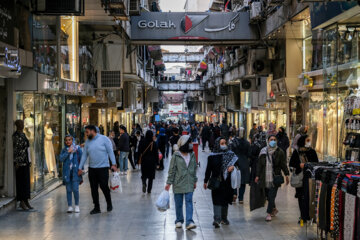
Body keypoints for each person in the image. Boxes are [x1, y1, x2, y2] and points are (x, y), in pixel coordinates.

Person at [78, 125, 117, 215]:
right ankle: (96, 207)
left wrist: (114, 164)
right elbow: (84, 156)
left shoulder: (104, 139)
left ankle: (109, 203)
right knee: (93, 189)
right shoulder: (87, 142)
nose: (86, 134)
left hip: (103, 168)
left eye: (87, 132)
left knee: (104, 187)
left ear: (93, 131)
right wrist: (80, 167)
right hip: (92, 169)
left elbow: (110, 152)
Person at [204, 137, 239, 228]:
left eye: (224, 143)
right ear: (217, 144)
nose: (224, 145)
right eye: (221, 143)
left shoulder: (231, 155)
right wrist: (205, 181)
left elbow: (237, 165)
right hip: (216, 181)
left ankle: (224, 218)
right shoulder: (212, 156)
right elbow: (208, 170)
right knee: (216, 200)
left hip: (227, 181)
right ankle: (217, 219)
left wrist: (233, 167)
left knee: (225, 200)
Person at [165, 135, 197, 230]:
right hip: (178, 182)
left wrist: (194, 180)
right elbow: (172, 170)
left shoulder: (192, 155)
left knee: (189, 201)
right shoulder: (176, 155)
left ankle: (189, 222)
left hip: (189, 182)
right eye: (190, 143)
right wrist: (168, 182)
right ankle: (179, 220)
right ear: (184, 144)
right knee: (178, 203)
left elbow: (194, 168)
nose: (191, 144)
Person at [255, 135, 290, 221]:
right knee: (268, 196)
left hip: (275, 177)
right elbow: (259, 165)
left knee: (271, 196)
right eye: (271, 139)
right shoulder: (263, 151)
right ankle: (274, 209)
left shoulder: (280, 152)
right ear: (268, 141)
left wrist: (286, 174)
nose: (273, 141)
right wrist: (257, 175)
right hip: (265, 177)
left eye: (274, 140)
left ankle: (268, 213)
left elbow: (283, 164)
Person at [289, 135, 318, 223]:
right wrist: (299, 165)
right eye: (307, 140)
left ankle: (309, 215)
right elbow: (291, 163)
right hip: (300, 178)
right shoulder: (297, 152)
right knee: (301, 197)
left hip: (309, 178)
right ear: (302, 141)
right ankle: (302, 217)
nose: (309, 142)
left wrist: (308, 165)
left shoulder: (312, 151)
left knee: (309, 197)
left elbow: (316, 163)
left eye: (309, 140)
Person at [13, 120, 33, 210]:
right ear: (17, 125)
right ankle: (21, 201)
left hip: (25, 161)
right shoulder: (15, 136)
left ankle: (26, 200)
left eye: (22, 124)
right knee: (20, 182)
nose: (22, 125)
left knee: (26, 182)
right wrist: (16, 162)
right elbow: (15, 150)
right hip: (20, 163)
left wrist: (29, 160)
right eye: (20, 124)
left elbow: (27, 148)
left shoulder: (23, 135)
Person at [59, 135, 83, 213]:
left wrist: (81, 169)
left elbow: (82, 158)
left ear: (72, 140)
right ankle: (69, 206)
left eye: (69, 140)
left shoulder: (77, 149)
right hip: (67, 172)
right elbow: (61, 158)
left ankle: (77, 205)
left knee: (75, 189)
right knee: (68, 190)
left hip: (75, 172)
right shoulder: (64, 150)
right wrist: (67, 152)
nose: (68, 141)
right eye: (66, 140)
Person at [230, 127, 251, 204]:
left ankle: (234, 193)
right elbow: (249, 154)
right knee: (242, 181)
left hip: (235, 162)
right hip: (244, 163)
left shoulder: (233, 142)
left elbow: (230, 152)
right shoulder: (247, 143)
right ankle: (241, 198)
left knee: (235, 179)